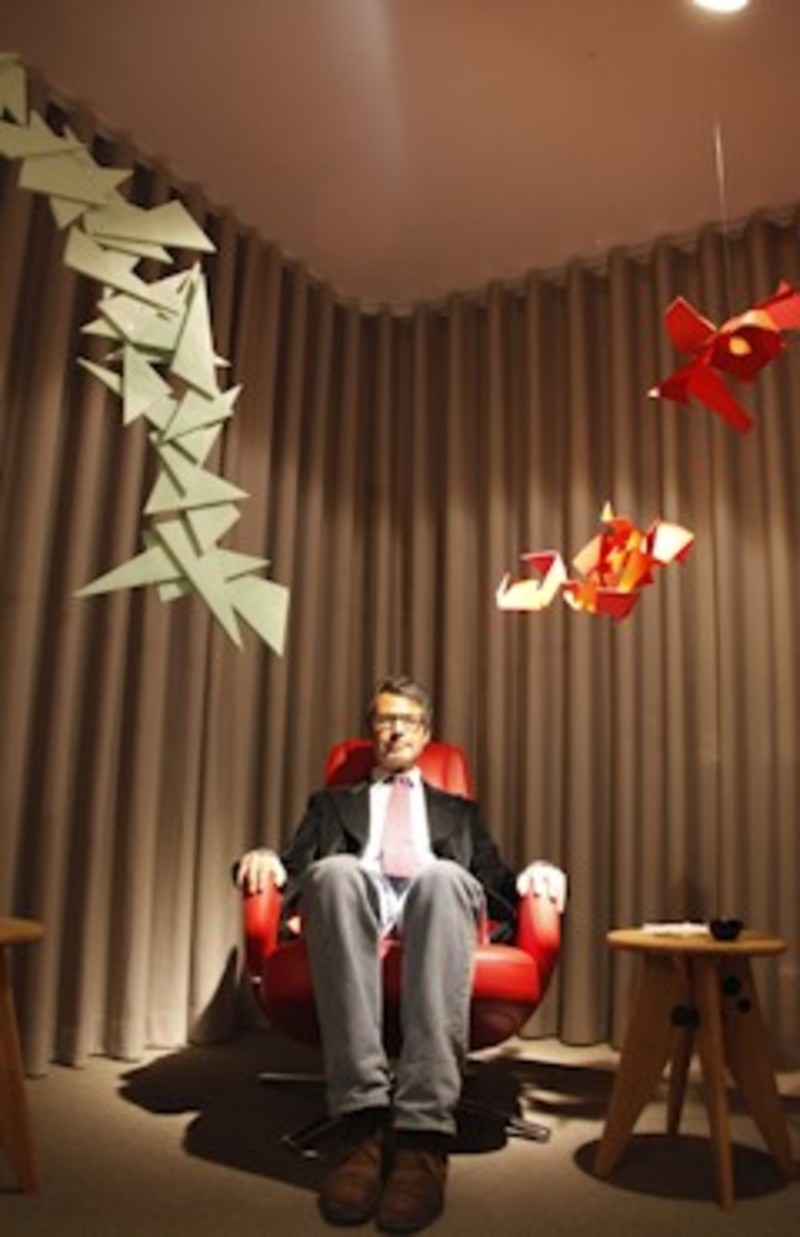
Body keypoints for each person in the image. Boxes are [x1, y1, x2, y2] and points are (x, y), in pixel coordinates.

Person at [237, 673, 566, 1233]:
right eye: (385, 720)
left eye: (407, 721)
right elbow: (294, 867)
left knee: (442, 877)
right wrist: (265, 858)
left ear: (425, 733)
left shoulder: (458, 812)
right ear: (371, 731)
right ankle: (361, 1122)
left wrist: (536, 872)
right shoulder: (331, 805)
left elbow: (493, 879)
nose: (395, 731)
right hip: (355, 907)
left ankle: (423, 1135)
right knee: (335, 872)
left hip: (435, 911)